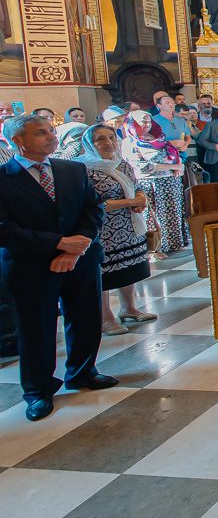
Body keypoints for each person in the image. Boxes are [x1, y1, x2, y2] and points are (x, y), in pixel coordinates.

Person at [0, 114, 116, 422]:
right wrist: (59, 243)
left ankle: (82, 371)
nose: (51, 136)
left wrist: (78, 246)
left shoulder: (71, 169)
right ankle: (38, 390)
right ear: (18, 141)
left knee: (85, 317)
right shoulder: (4, 178)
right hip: (30, 264)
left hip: (81, 259)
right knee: (36, 328)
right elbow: (4, 230)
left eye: (51, 131)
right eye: (41, 133)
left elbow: (93, 208)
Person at [77, 125, 156, 336]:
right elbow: (96, 203)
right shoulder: (83, 168)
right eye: (101, 139)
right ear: (90, 144)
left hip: (129, 226)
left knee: (130, 268)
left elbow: (136, 186)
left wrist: (141, 198)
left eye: (111, 137)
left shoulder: (122, 164)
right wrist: (131, 202)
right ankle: (106, 318)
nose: (108, 143)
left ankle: (129, 308)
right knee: (105, 274)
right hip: (104, 231)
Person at [124, 111, 190, 253]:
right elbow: (141, 166)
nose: (147, 124)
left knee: (172, 213)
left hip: (170, 182)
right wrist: (172, 167)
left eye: (149, 121)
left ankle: (174, 243)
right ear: (133, 123)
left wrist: (179, 165)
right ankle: (156, 248)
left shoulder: (157, 137)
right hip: (149, 183)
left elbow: (173, 154)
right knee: (153, 216)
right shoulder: (130, 142)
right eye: (143, 121)